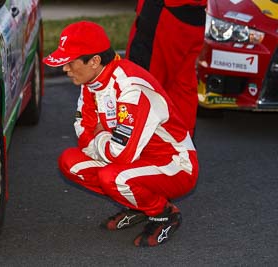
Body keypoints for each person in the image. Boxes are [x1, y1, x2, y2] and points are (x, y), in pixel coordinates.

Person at [43, 21, 198, 247]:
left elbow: (120, 154)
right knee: (70, 162)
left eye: (70, 62)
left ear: (95, 61)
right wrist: (105, 137)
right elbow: (83, 132)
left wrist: (101, 135)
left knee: (113, 177)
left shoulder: (130, 87)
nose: (65, 68)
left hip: (175, 163)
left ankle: (164, 213)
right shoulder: (90, 82)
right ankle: (139, 205)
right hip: (135, 160)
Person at [126, 0, 207, 137]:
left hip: (165, 11)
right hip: (193, 14)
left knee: (142, 84)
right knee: (182, 86)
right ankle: (182, 148)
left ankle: (133, 144)